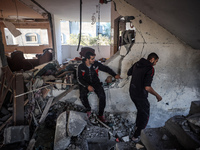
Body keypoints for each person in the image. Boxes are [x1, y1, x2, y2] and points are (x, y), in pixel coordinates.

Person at [127, 52, 162, 142]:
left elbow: (129, 73)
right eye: (156, 61)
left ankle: (137, 127)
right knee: (145, 115)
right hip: (140, 95)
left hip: (132, 92)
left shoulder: (137, 64)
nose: (155, 63)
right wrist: (157, 95)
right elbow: (147, 87)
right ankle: (136, 136)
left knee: (140, 110)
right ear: (152, 59)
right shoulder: (150, 68)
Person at [77, 51, 121, 122]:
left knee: (102, 96)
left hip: (96, 83)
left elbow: (106, 68)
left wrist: (114, 75)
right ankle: (88, 110)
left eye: (94, 58)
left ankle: (100, 115)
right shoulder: (81, 66)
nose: (94, 60)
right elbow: (79, 79)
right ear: (87, 59)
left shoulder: (96, 64)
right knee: (82, 96)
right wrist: (87, 86)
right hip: (85, 84)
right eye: (92, 59)